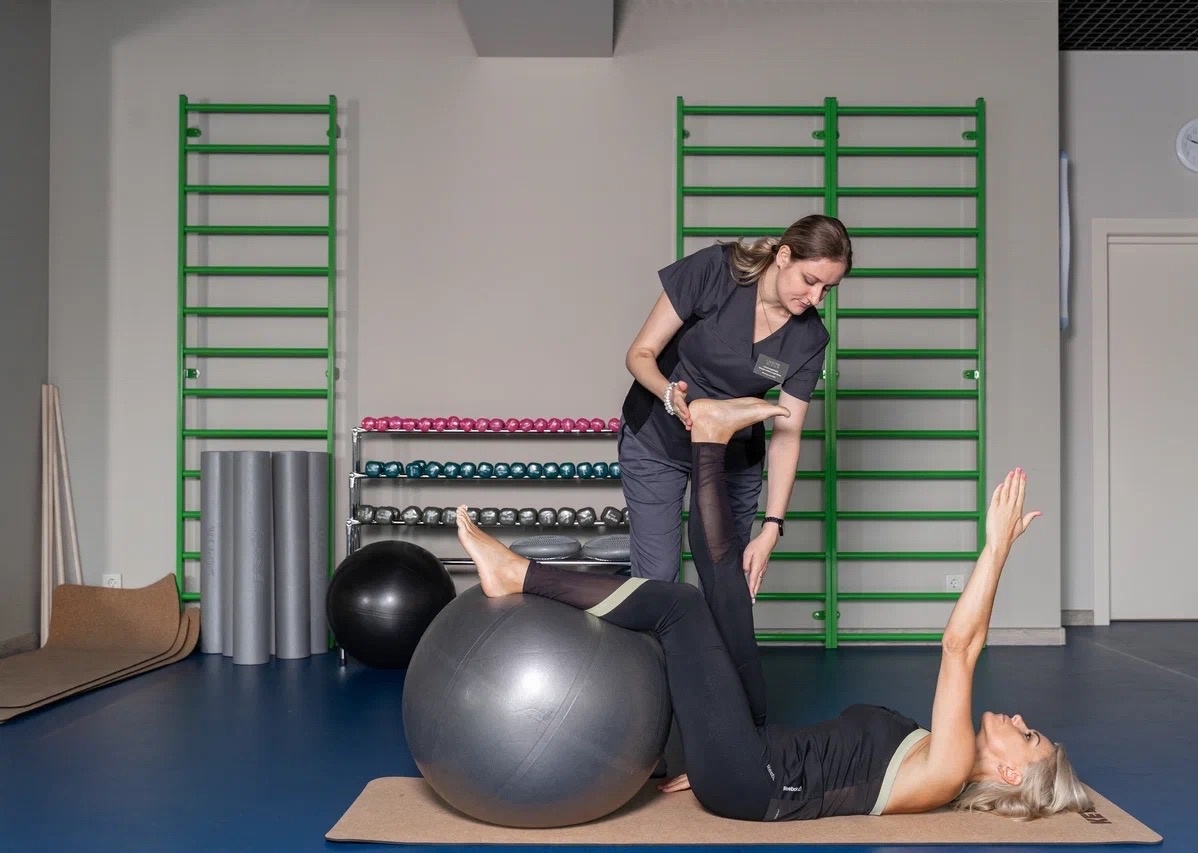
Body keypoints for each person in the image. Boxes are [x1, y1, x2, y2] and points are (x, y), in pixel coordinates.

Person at [454, 396, 1094, 823]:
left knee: (680, 610)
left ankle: (518, 574)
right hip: (746, 754)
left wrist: (996, 547)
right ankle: (709, 437)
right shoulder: (937, 755)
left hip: (752, 781)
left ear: (1010, 772)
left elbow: (960, 647)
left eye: (1028, 736)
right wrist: (713, 748)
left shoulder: (949, 770)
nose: (1020, 720)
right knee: (726, 591)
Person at [618, 214, 852, 602]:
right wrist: (668, 393)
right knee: (657, 581)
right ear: (784, 256)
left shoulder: (810, 338)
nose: (815, 298)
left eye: (828, 288)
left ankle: (713, 646)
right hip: (658, 437)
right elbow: (640, 354)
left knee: (725, 581)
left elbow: (787, 433)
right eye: (810, 281)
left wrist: (772, 526)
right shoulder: (715, 270)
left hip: (732, 454)